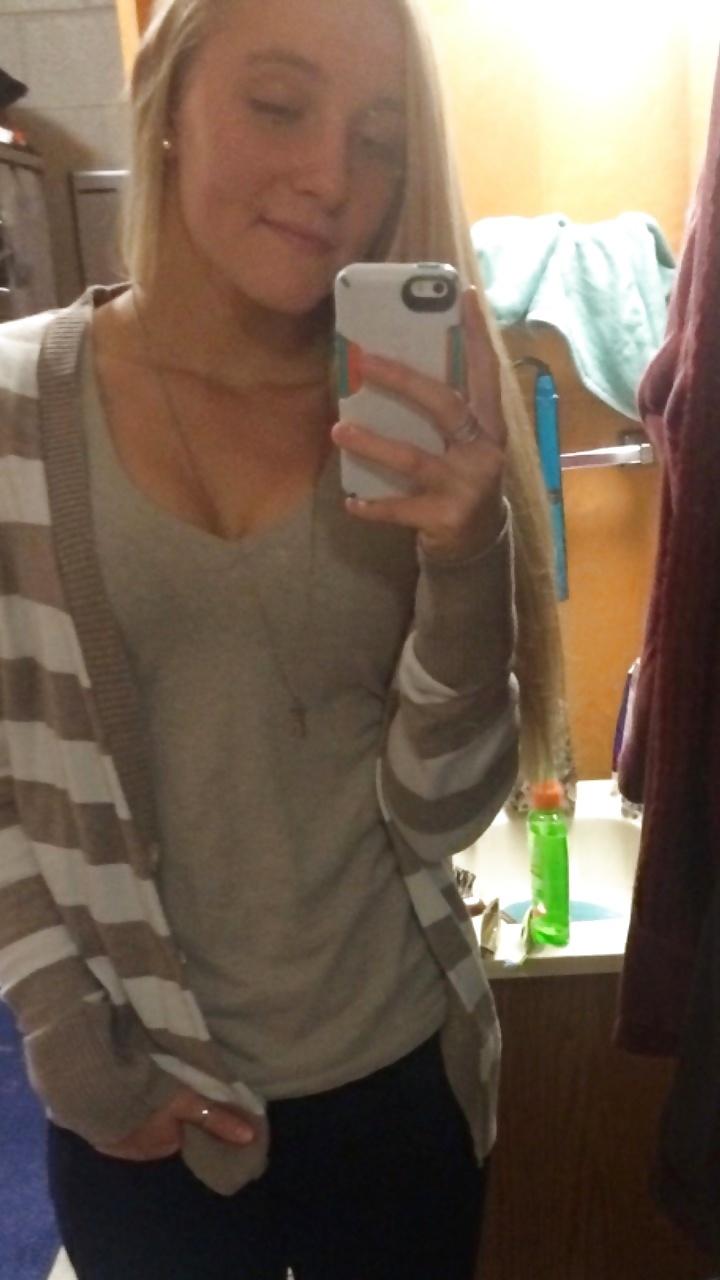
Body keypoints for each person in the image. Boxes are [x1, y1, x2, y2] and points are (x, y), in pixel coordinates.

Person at [0, 0, 564, 1276]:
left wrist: (465, 552)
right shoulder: (18, 408)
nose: (331, 177)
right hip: (145, 1093)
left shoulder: (418, 419)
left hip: (401, 1077)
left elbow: (444, 807)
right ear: (170, 102)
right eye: (278, 105)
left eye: (379, 139)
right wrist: (71, 1043)